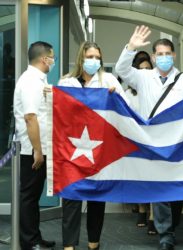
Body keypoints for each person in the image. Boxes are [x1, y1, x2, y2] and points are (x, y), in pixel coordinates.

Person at [115, 25, 183, 250]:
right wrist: (131, 47)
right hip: (154, 141)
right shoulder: (143, 77)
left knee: (177, 188)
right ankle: (165, 234)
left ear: (174, 55)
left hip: (178, 140)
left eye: (168, 54)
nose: (164, 58)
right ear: (153, 56)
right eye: (159, 54)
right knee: (160, 188)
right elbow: (122, 70)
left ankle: (172, 224)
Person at [57, 41, 128, 250]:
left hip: (100, 149)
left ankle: (93, 243)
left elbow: (124, 111)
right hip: (71, 147)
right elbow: (58, 112)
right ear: (81, 58)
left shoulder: (108, 80)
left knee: (97, 196)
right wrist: (50, 95)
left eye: (97, 57)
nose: (94, 61)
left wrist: (116, 97)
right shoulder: (67, 82)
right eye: (90, 57)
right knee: (71, 195)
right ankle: (69, 245)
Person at [13, 41, 56, 250]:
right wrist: (38, 150)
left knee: (32, 196)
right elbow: (30, 117)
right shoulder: (31, 81)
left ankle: (34, 237)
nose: (53, 61)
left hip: (38, 147)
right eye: (52, 57)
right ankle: (29, 241)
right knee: (29, 197)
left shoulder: (38, 80)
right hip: (32, 150)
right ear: (44, 59)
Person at [124, 50, 158, 235]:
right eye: (141, 70)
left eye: (148, 69)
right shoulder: (128, 94)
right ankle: (142, 210)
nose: (145, 73)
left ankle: (153, 215)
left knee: (153, 178)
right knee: (140, 178)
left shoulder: (156, 89)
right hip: (135, 139)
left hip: (153, 138)